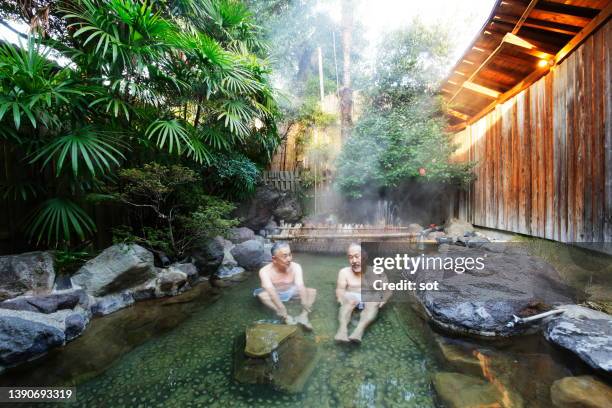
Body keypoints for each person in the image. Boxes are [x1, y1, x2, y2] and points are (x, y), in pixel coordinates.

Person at [254, 242, 317, 330]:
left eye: (290, 255)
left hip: (289, 291)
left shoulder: (296, 267)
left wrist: (304, 302)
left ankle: (303, 316)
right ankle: (286, 317)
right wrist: (281, 307)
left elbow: (300, 285)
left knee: (311, 292)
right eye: (284, 256)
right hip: (274, 293)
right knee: (262, 296)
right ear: (274, 259)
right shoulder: (264, 271)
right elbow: (270, 290)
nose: (289, 259)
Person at [334, 243, 387, 343]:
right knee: (348, 300)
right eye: (350, 257)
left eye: (357, 257)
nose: (354, 261)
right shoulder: (344, 272)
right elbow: (340, 289)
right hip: (351, 298)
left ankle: (359, 331)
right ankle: (342, 330)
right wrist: (340, 298)